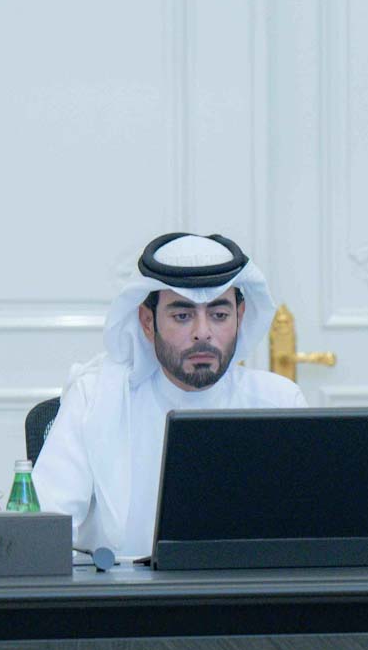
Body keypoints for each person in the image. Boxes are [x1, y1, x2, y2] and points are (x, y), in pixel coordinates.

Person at [34, 232, 306, 557]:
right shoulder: (96, 398)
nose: (202, 333)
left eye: (219, 315)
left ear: (240, 316)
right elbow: (43, 531)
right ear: (148, 322)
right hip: (123, 588)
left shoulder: (279, 402)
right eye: (183, 316)